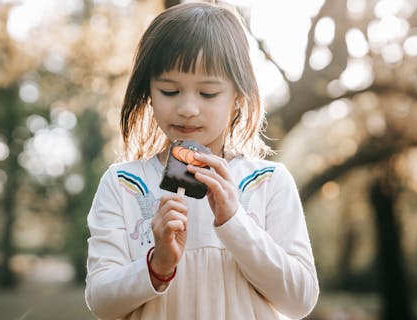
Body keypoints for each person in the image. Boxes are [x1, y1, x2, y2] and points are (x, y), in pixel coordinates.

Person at [84, 2, 319, 319]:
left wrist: (235, 221)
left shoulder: (268, 181)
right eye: (169, 90)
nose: (187, 108)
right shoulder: (125, 184)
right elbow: (101, 301)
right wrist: (158, 265)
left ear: (238, 96)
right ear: (148, 93)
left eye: (208, 93)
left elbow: (300, 299)